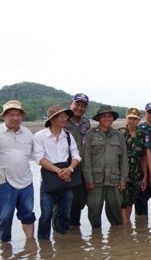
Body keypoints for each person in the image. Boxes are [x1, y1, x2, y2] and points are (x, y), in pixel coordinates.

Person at [33, 105, 81, 240]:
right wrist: (59, 171)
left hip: (67, 177)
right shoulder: (40, 136)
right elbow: (39, 158)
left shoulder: (68, 136)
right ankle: (43, 242)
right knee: (46, 213)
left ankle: (63, 239)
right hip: (49, 179)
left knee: (65, 213)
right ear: (52, 119)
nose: (65, 118)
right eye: (61, 116)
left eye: (65, 116)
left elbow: (76, 155)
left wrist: (70, 169)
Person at [82, 105, 128, 228]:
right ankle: (96, 239)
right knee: (94, 211)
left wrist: (123, 179)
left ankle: (116, 241)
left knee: (116, 213)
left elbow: (124, 160)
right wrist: (88, 179)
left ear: (113, 118)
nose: (107, 119)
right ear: (99, 118)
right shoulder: (90, 135)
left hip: (114, 180)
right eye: (104, 116)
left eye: (110, 116)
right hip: (96, 181)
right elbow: (86, 159)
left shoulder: (119, 135)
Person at [0, 100, 35, 242]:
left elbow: (37, 154)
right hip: (5, 182)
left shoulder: (27, 132)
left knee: (27, 215)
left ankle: (31, 245)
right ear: (4, 116)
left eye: (18, 115)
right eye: (11, 115)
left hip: (26, 181)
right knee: (4, 217)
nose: (15, 118)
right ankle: (5, 248)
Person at [65, 93, 91, 227]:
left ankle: (75, 234)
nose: (80, 108)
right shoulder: (62, 119)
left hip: (81, 168)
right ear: (71, 103)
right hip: (65, 169)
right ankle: (60, 231)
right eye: (77, 104)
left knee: (79, 202)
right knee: (63, 203)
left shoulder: (86, 122)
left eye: (83, 106)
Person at [118, 107, 147, 224]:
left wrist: (145, 176)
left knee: (131, 200)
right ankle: (125, 225)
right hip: (122, 174)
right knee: (122, 201)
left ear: (139, 120)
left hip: (137, 174)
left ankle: (127, 223)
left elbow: (144, 157)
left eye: (135, 119)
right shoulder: (119, 134)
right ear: (126, 119)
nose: (132, 121)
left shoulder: (142, 135)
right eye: (130, 118)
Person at [135, 102, 151, 216]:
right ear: (145, 114)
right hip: (141, 170)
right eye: (149, 112)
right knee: (141, 204)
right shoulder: (139, 128)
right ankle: (141, 231)